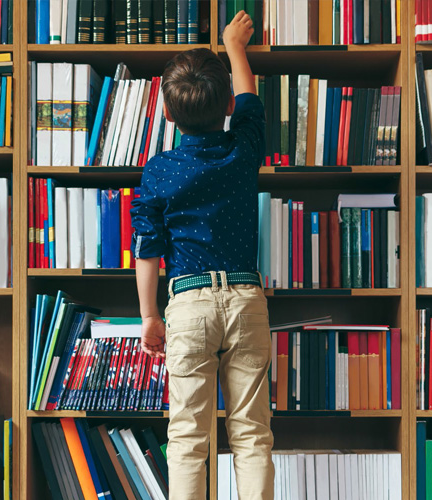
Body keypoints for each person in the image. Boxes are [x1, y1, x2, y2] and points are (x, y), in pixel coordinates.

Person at [130, 10, 274, 500]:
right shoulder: (243, 149)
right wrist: (235, 45)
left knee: (189, 437)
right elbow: (251, 101)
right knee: (251, 434)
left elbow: (147, 250)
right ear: (227, 106)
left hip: (188, 306)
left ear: (168, 115)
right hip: (246, 298)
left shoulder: (159, 170)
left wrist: (149, 316)